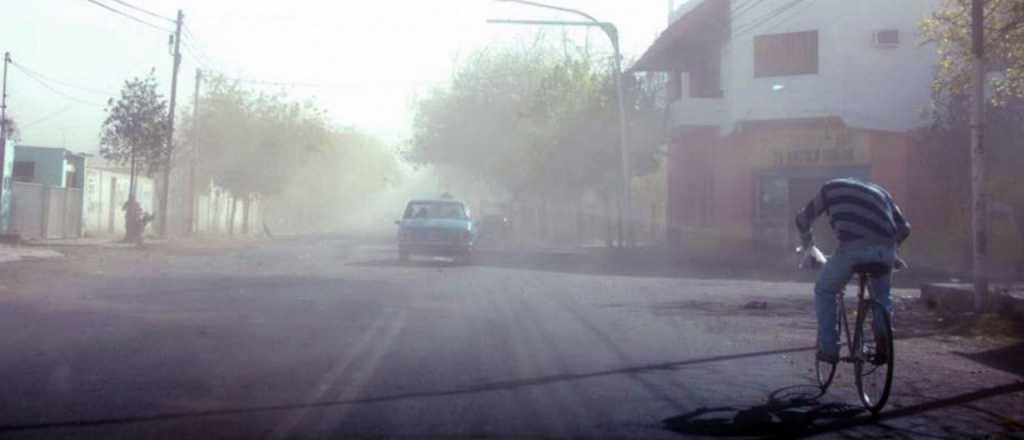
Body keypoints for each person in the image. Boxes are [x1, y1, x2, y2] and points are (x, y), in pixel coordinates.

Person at [795, 177, 910, 365]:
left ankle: (829, 349)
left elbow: (802, 218)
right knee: (882, 297)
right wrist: (892, 250)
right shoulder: (881, 191)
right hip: (886, 250)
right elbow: (905, 228)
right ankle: (884, 343)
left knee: (824, 290)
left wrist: (808, 245)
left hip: (853, 249)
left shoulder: (830, 188)